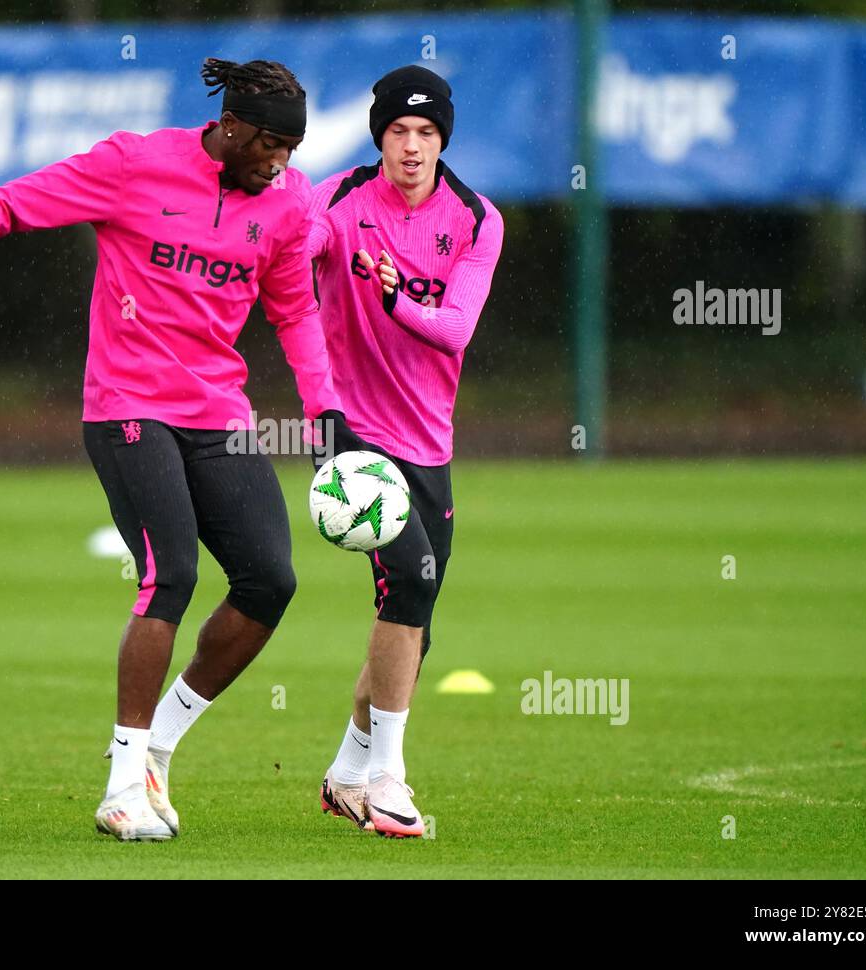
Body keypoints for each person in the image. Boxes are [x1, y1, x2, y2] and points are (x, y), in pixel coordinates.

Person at [0, 58, 354, 841]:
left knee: (270, 581)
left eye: (290, 150)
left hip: (218, 411)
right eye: (269, 144)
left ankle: (157, 744)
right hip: (127, 405)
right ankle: (122, 785)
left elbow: (294, 309)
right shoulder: (134, 165)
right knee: (173, 574)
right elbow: (7, 205)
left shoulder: (291, 203)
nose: (281, 163)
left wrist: (323, 415)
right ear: (230, 127)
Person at [306, 65, 505, 837]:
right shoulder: (337, 199)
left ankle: (347, 773)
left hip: (427, 441)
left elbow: (455, 328)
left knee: (415, 626)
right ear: (378, 138)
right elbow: (299, 249)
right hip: (347, 431)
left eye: (425, 132)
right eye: (398, 131)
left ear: (442, 138)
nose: (412, 146)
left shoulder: (477, 219)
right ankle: (389, 778)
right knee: (414, 581)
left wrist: (395, 297)